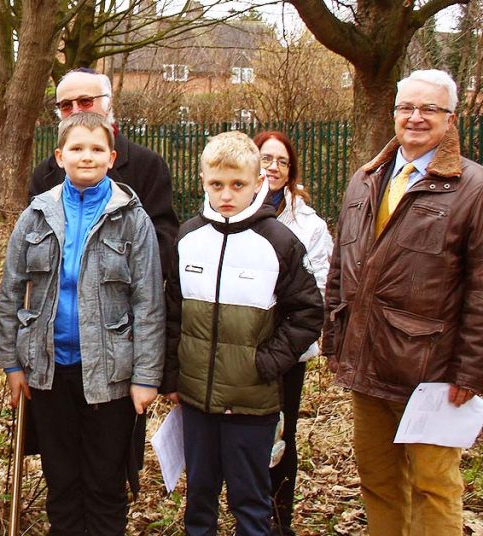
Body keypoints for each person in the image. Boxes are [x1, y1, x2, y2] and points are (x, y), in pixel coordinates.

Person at [323, 69, 483, 536]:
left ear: (451, 120)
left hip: (432, 373)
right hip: (368, 363)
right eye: (406, 108)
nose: (415, 118)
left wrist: (471, 370)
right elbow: (341, 266)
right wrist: (335, 342)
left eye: (429, 109)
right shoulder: (365, 179)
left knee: (433, 486)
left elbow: (480, 288)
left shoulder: (472, 188)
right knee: (377, 479)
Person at [0, 112, 166, 535]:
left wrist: (146, 376)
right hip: (49, 372)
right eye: (76, 148)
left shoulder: (132, 218)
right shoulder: (37, 216)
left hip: (110, 375)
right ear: (59, 156)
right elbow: (10, 293)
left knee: (105, 483)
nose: (85, 156)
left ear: (111, 157)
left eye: (95, 149)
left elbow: (148, 302)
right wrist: (13, 366)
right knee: (62, 481)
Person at [161, 131, 322, 536]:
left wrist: (265, 362)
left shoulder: (279, 242)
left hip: (252, 405)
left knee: (251, 503)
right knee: (199, 499)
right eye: (217, 185)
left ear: (258, 183)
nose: (227, 195)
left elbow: (307, 313)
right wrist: (173, 375)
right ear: (203, 182)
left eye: (238, 185)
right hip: (196, 402)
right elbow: (173, 312)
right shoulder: (188, 238)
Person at [253, 130, 332, 536]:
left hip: (287, 351)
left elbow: (316, 293)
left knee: (282, 435)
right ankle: (247, 516)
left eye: (282, 161)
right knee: (243, 434)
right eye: (266, 158)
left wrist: (278, 346)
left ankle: (280, 520)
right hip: (238, 351)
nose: (274, 167)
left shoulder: (309, 225)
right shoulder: (223, 209)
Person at [28, 68, 178, 274]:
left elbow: (162, 242)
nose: (76, 111)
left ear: (108, 104)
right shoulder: (45, 173)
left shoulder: (147, 165)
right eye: (65, 105)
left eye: (85, 101)